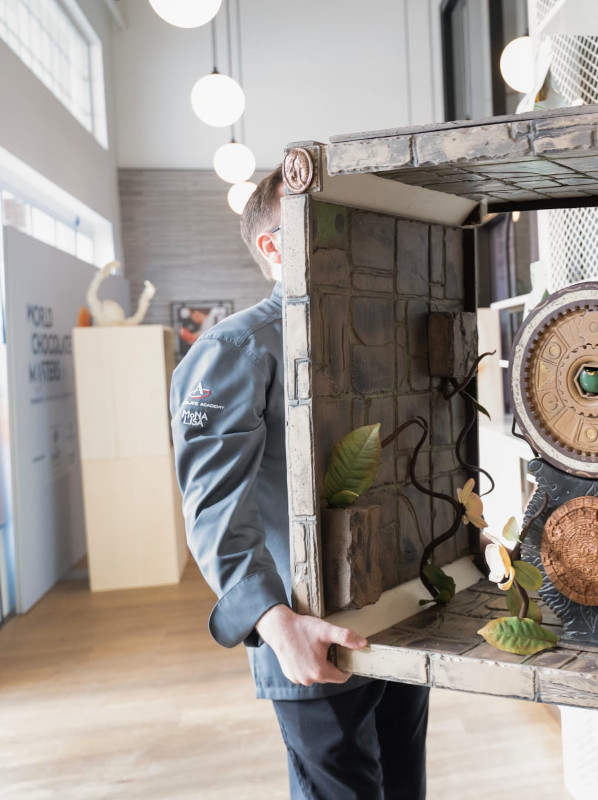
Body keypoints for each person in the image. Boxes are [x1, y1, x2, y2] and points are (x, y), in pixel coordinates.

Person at [171, 166, 430, 799]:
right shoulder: (236, 349)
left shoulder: (371, 334)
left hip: (393, 616)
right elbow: (214, 507)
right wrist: (274, 621)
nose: (348, 235)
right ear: (273, 245)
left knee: (405, 786)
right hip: (310, 627)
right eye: (324, 221)